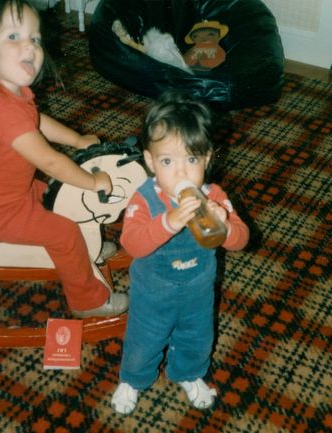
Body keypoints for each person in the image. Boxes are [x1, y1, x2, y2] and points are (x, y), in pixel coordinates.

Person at [0, 0, 128, 318]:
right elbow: (51, 163)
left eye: (35, 38)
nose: (29, 47)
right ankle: (88, 300)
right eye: (14, 37)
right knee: (64, 232)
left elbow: (37, 121)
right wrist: (92, 181)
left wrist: (75, 138)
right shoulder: (1, 108)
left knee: (60, 199)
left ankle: (89, 249)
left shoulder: (8, 90)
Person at [111, 92, 249, 414]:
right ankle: (132, 379)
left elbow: (242, 240)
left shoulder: (213, 196)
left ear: (208, 158)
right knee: (143, 339)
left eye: (192, 160)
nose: (181, 173)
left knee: (198, 336)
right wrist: (169, 222)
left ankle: (189, 373)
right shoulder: (144, 198)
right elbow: (132, 244)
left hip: (198, 290)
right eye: (167, 161)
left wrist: (225, 225)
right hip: (152, 292)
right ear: (149, 161)